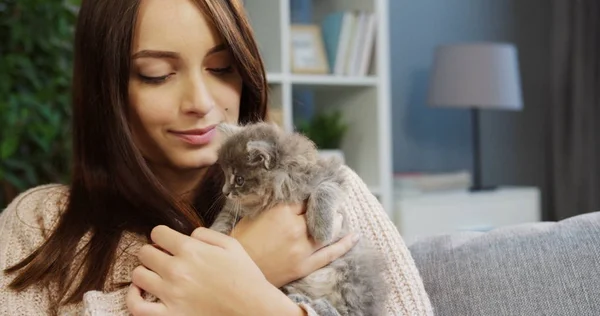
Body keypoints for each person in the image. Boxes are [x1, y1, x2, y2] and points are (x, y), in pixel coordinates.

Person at [0, 0, 434, 315]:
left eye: (222, 68)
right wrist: (240, 264)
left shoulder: (323, 188)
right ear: (106, 90)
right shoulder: (39, 221)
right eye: (158, 75)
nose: (201, 102)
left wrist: (257, 301)